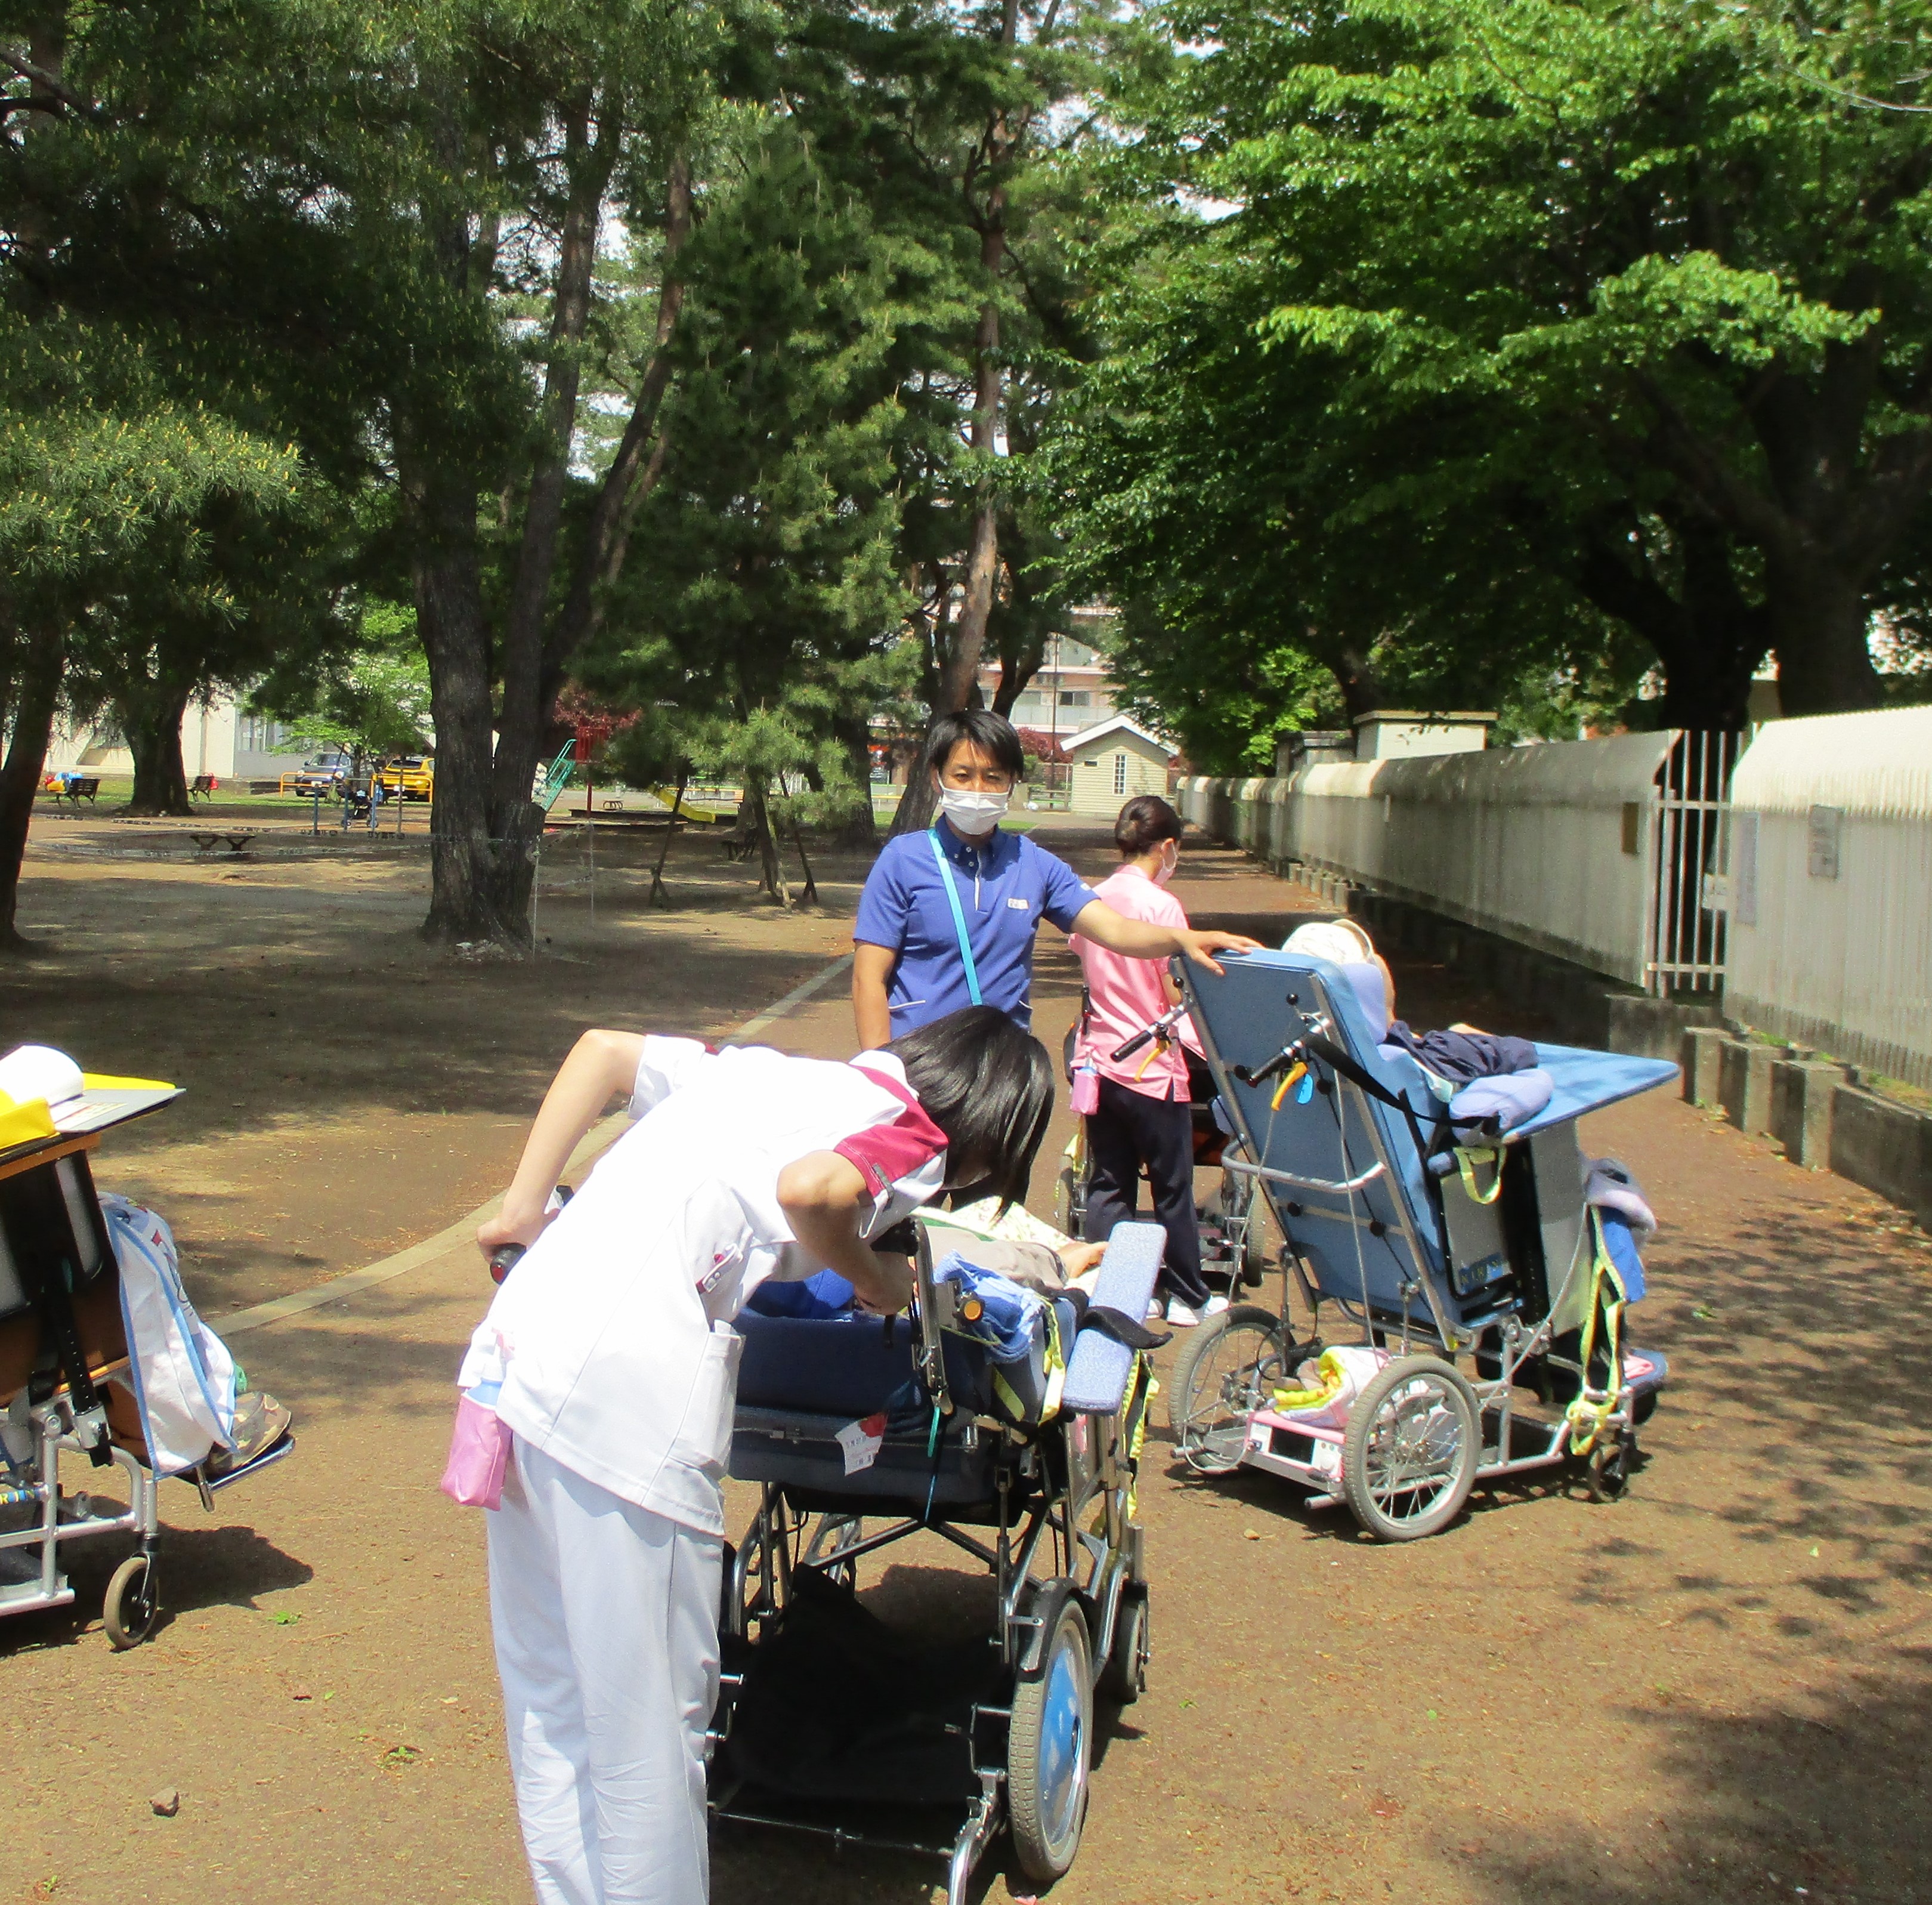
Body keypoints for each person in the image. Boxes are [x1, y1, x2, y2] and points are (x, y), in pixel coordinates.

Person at [462, 1006, 1054, 1905]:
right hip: (621, 1404)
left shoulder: (767, 1074)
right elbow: (814, 1190)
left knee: (555, 1704)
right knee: (648, 1734)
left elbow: (603, 1054)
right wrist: (874, 1278)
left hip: (516, 1363)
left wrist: (520, 1207)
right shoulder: (913, 1131)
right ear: (986, 1125)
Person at [852, 709, 1259, 1047]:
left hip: (1002, 1069)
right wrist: (879, 1075)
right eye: (962, 775)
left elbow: (1114, 929)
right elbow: (868, 977)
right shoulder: (903, 860)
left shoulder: (1033, 863)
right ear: (936, 777)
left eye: (993, 777)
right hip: (918, 1061)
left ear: (1012, 780)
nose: (978, 789)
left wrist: (1182, 939)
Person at [1068, 795, 1226, 1327]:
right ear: (1166, 847)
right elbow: (1168, 988)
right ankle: (1186, 1292)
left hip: (1097, 1060)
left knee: (1108, 1182)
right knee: (1172, 1184)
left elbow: (1086, 961)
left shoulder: (1092, 896)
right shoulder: (1162, 908)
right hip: (1151, 1066)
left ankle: (1116, 1288)